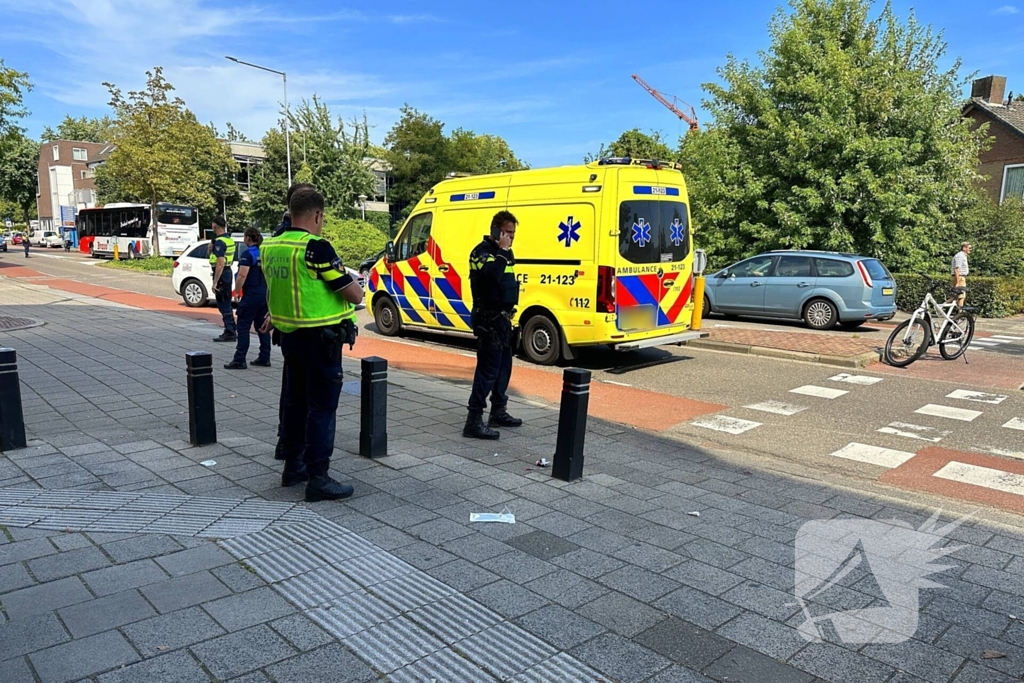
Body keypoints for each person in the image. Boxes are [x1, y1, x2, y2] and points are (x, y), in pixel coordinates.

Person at [261, 187, 363, 501]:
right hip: (321, 341)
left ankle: (293, 466)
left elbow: (281, 288)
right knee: (321, 408)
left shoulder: (271, 245)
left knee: (295, 403)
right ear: (317, 215)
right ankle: (318, 478)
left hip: (290, 337)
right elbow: (355, 294)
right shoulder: (315, 248)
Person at [463, 210, 524, 440]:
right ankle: (473, 420)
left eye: (513, 233)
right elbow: (491, 277)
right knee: (487, 371)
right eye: (507, 232)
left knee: (504, 368)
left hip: (503, 319)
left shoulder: (504, 253)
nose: (511, 237)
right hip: (488, 319)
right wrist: (503, 251)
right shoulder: (482, 252)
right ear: (495, 230)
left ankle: (498, 411)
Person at [224, 227, 271, 370]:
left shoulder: (247, 254)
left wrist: (237, 291)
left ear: (248, 238)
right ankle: (264, 357)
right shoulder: (264, 253)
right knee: (262, 326)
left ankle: (239, 359)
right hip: (264, 294)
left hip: (251, 295)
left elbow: (242, 275)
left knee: (243, 327)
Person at [209, 216, 237, 343]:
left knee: (223, 303)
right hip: (227, 272)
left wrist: (215, 282)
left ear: (215, 226)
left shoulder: (220, 242)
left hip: (222, 273)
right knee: (226, 301)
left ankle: (230, 331)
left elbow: (220, 263)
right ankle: (231, 329)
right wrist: (210, 249)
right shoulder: (229, 240)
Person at [951, 242, 971, 307]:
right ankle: (960, 312)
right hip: (960, 277)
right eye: (969, 248)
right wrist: (958, 282)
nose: (970, 249)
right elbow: (957, 269)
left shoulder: (963, 256)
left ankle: (940, 307)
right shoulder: (960, 256)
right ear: (964, 248)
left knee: (956, 297)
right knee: (961, 296)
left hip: (960, 277)